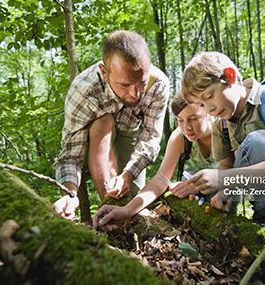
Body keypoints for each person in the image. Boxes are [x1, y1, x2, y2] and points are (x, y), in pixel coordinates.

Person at [181, 51, 265, 228]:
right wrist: (225, 191)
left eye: (209, 96)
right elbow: (226, 166)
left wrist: (226, 179)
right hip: (260, 199)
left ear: (230, 76)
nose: (210, 109)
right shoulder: (221, 125)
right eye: (202, 105)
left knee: (260, 142)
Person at [53, 30, 170, 220]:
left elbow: (150, 138)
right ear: (104, 73)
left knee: (133, 200)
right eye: (125, 84)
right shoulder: (83, 91)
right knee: (103, 122)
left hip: (131, 131)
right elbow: (71, 155)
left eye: (141, 82)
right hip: (97, 135)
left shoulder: (159, 84)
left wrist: (129, 175)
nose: (136, 93)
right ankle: (108, 207)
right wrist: (69, 193)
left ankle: (130, 226)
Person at [94, 94, 227, 231]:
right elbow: (161, 179)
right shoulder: (180, 137)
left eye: (193, 119)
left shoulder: (224, 131)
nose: (187, 127)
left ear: (209, 112)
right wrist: (127, 210)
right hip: (193, 195)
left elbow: (232, 172)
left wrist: (198, 186)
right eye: (180, 120)